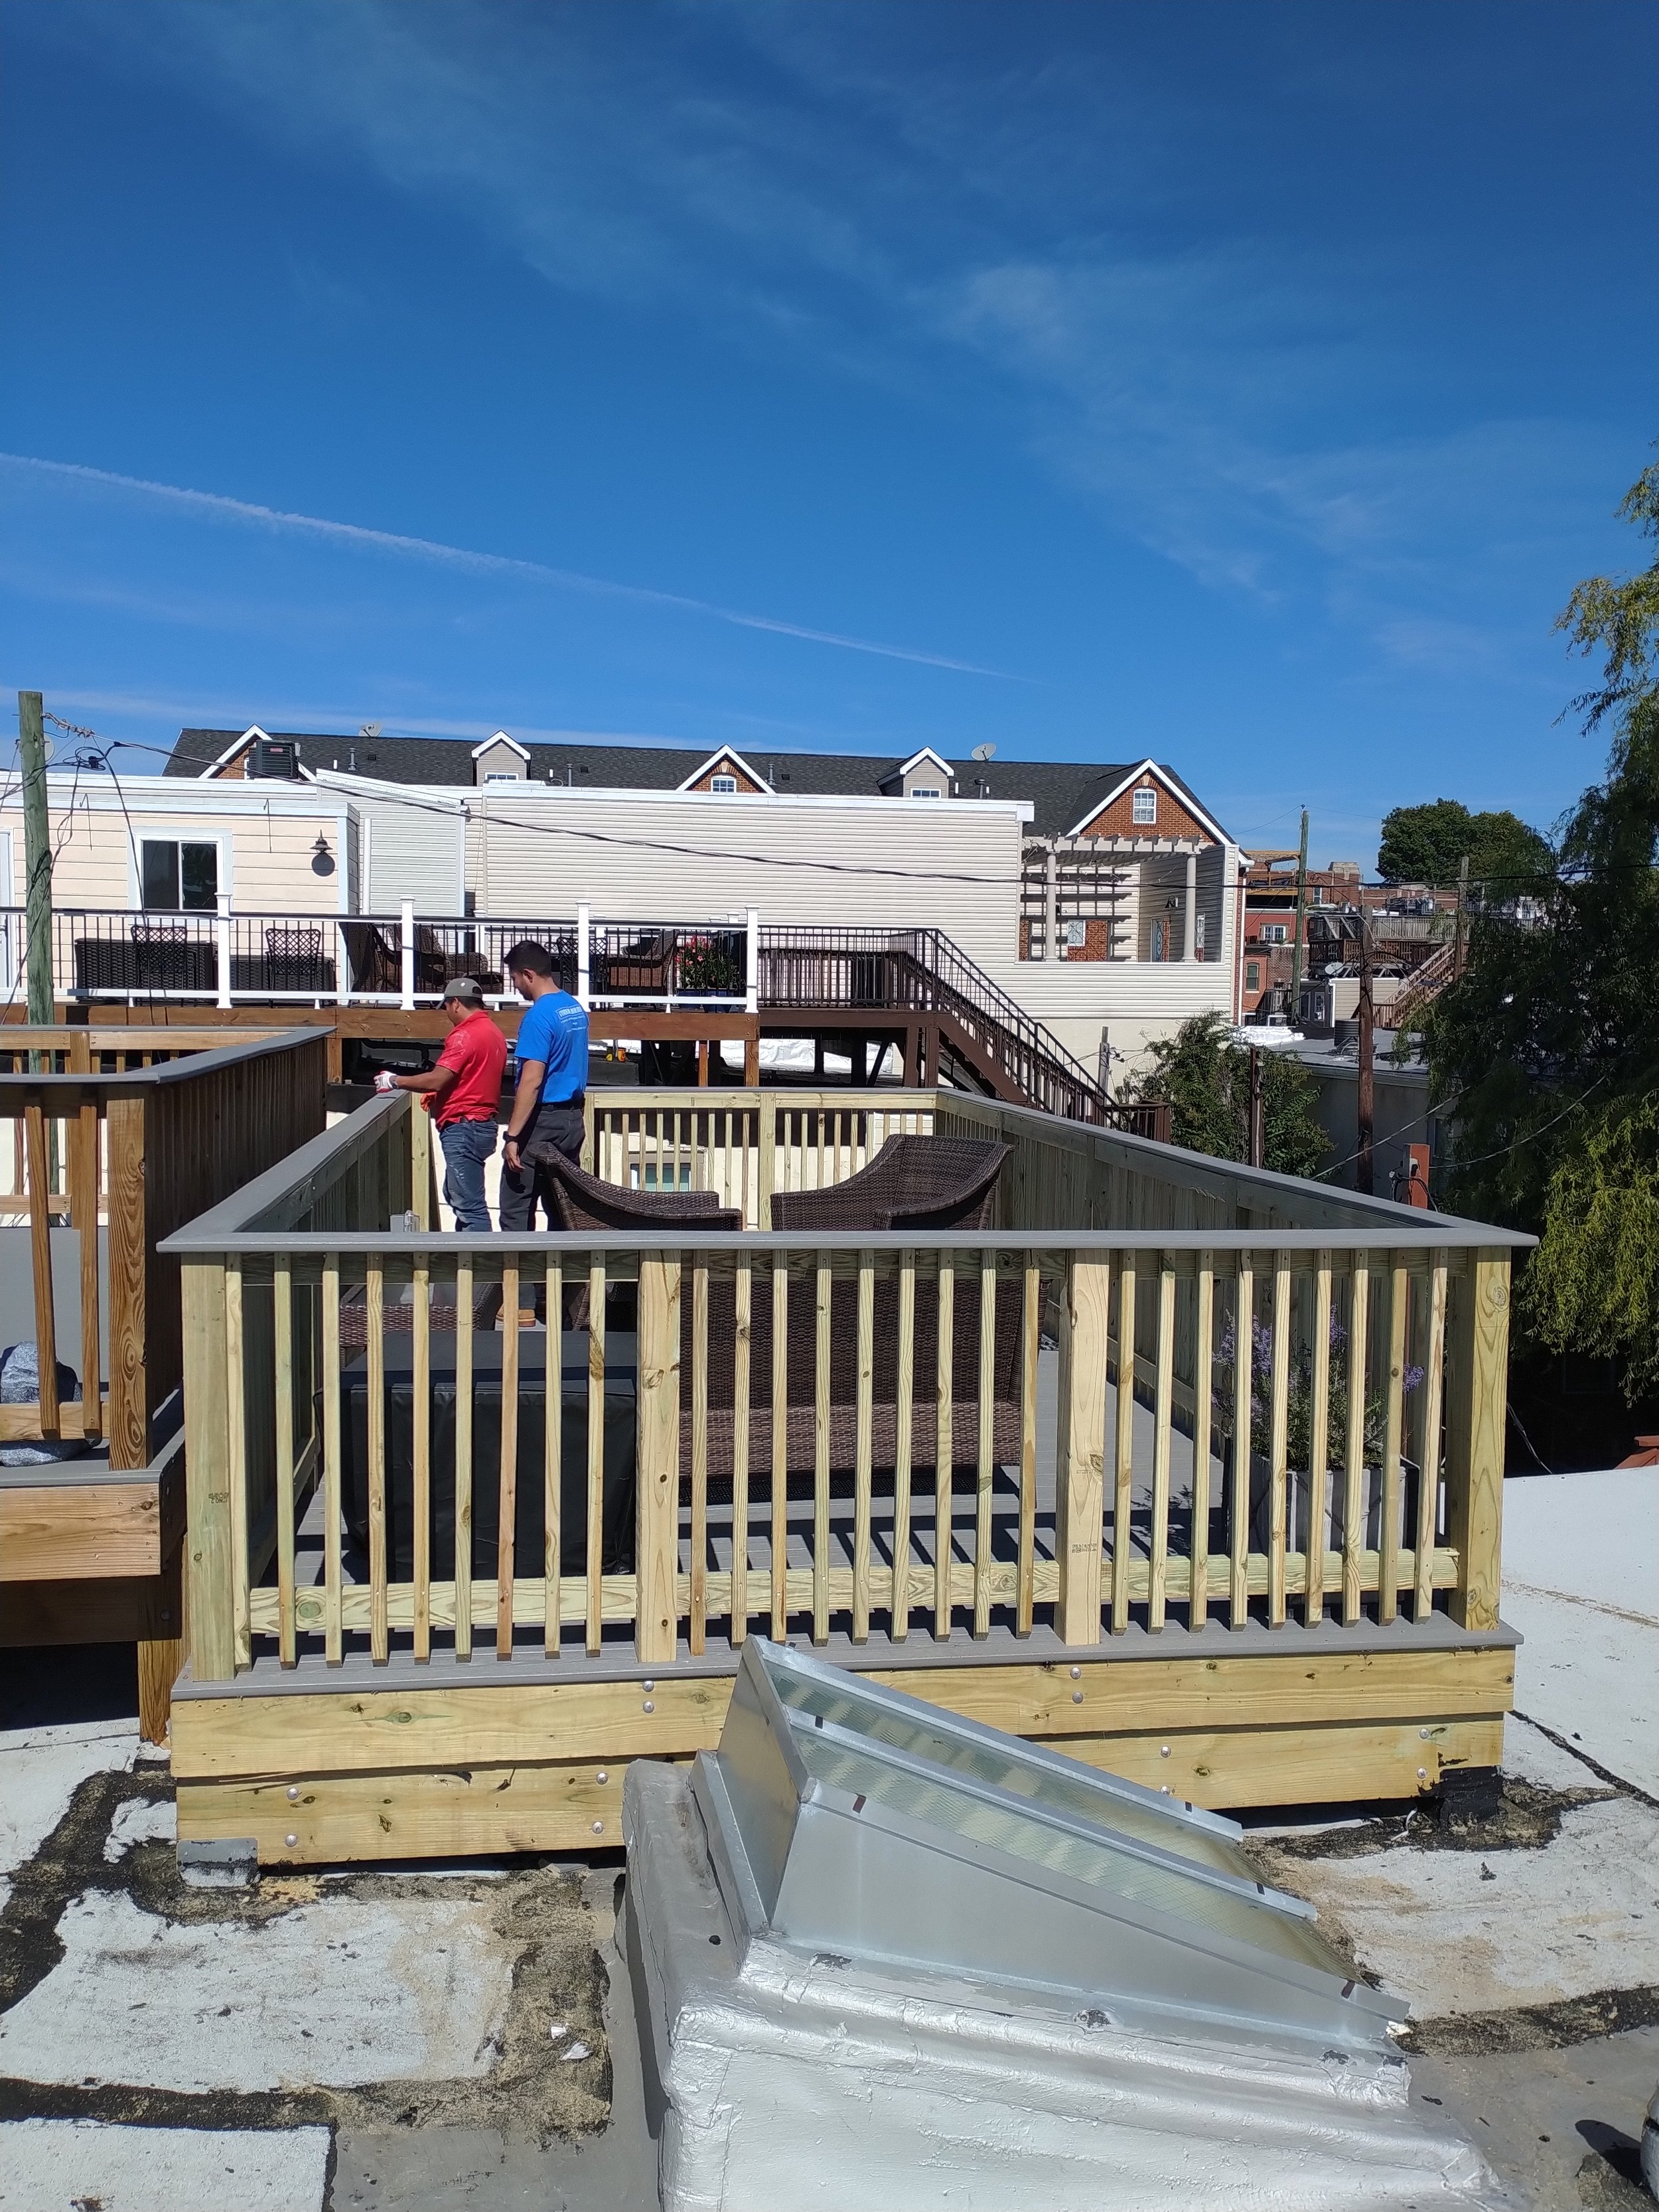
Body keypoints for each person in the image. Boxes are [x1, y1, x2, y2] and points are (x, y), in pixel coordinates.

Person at [378, 978, 508, 1232]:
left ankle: (477, 1265)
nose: (447, 1013)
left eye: (447, 1006)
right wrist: (441, 1095)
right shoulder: (494, 1033)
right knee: (456, 1193)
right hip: (483, 1125)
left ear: (456, 1003)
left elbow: (437, 1079)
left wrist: (393, 1080)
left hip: (463, 1127)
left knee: (470, 1207)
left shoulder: (464, 1035)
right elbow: (473, 1078)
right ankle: (469, 1262)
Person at [498, 939, 589, 1230]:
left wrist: (512, 1137)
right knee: (561, 1206)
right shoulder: (573, 1008)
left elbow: (532, 1082)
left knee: (516, 1208)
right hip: (572, 1121)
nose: (516, 986)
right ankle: (559, 1275)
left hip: (542, 1123)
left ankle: (517, 1276)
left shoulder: (538, 1016)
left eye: (514, 978)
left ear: (528, 974)